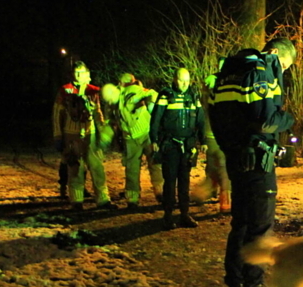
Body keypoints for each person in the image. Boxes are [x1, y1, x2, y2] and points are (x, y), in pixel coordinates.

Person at [211, 37, 297, 287]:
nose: (282, 72)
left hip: (236, 160)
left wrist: (232, 149)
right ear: (275, 54)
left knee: (240, 226)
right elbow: (265, 120)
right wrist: (288, 120)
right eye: (284, 66)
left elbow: (216, 118)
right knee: (259, 229)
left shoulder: (227, 73)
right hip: (258, 161)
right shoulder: (261, 72)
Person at [52, 61, 116, 211]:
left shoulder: (93, 91)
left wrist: (103, 129)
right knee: (75, 167)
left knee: (97, 167)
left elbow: (97, 112)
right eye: (77, 73)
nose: (79, 76)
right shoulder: (64, 91)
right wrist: (58, 135)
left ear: (87, 73)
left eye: (82, 73)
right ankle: (76, 200)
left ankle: (103, 199)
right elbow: (57, 114)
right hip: (71, 135)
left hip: (90, 134)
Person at [150, 67, 205, 230]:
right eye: (181, 80)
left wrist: (203, 140)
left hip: (187, 146)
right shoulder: (166, 95)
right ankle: (168, 216)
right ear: (174, 79)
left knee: (185, 181)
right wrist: (154, 139)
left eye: (187, 80)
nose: (184, 84)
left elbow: (200, 120)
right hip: (170, 145)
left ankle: (184, 214)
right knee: (170, 181)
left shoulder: (193, 96)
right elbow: (156, 119)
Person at [116, 72, 164, 210]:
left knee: (132, 168)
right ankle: (160, 192)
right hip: (146, 132)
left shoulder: (117, 96)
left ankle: (132, 198)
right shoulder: (137, 90)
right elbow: (154, 94)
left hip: (130, 136)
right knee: (155, 163)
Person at [191, 59, 232, 212]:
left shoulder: (215, 84)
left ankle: (203, 192)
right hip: (217, 133)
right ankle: (225, 201)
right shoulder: (216, 84)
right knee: (223, 166)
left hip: (215, 132)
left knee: (215, 167)